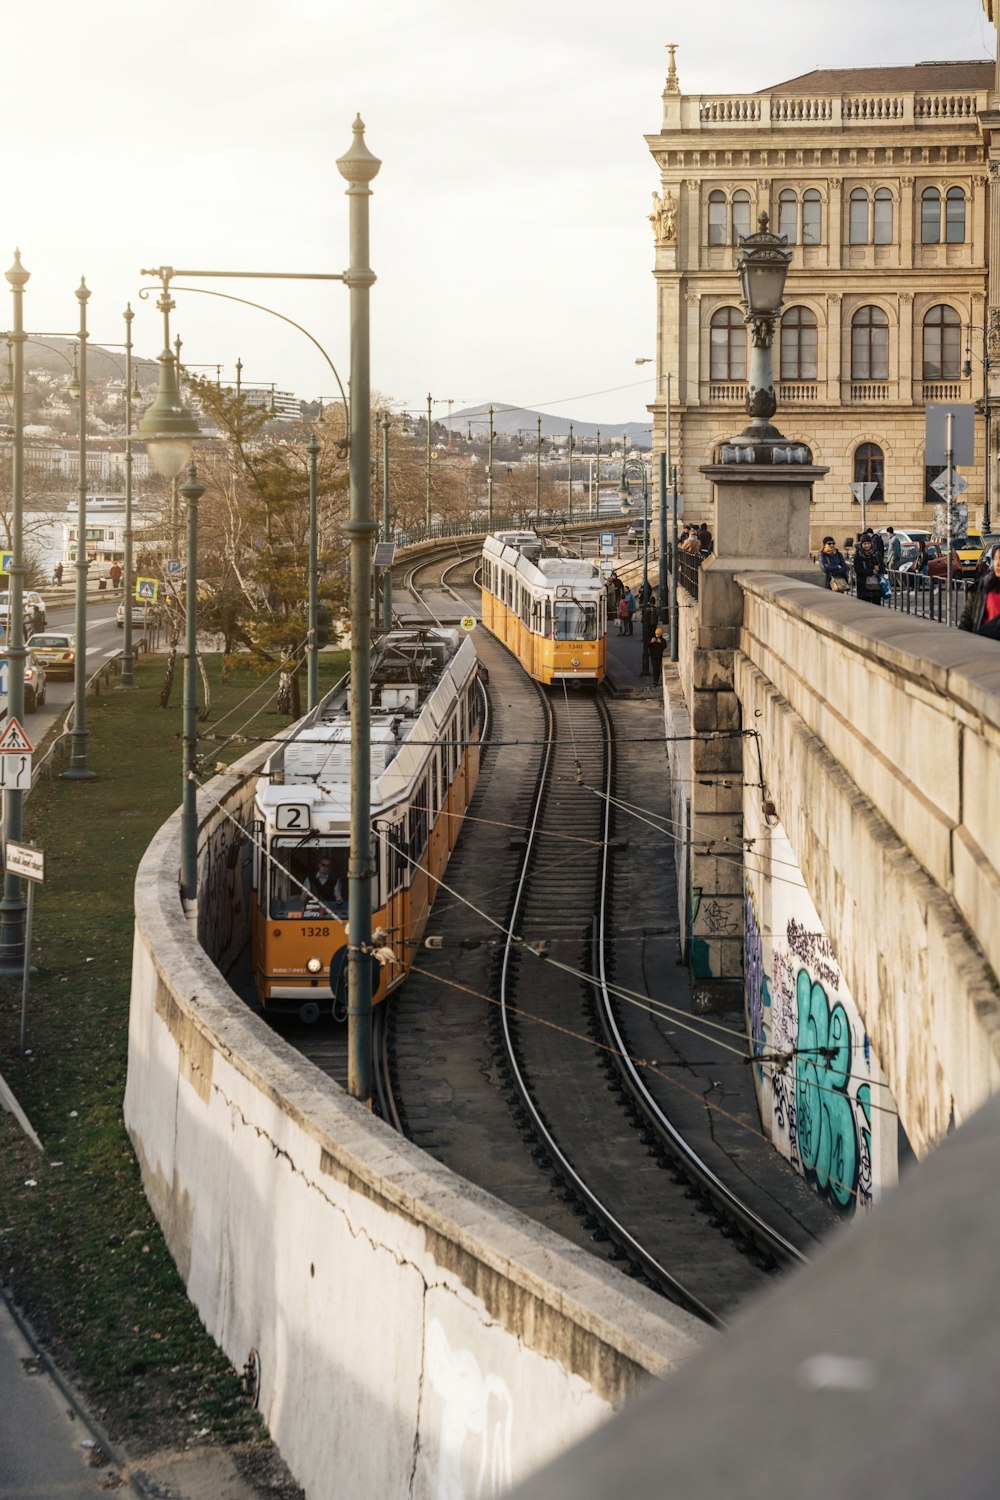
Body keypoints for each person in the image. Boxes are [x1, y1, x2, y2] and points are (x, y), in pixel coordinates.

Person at [959, 545, 1000, 638]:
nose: (998, 563)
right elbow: (967, 615)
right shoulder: (983, 586)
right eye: (996, 558)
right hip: (983, 642)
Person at [853, 534, 883, 605]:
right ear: (861, 544)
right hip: (863, 588)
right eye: (864, 544)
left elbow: (883, 567)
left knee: (877, 607)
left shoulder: (876, 554)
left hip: (876, 587)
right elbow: (858, 570)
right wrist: (871, 571)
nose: (867, 546)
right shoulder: (858, 555)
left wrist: (879, 568)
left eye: (868, 543)